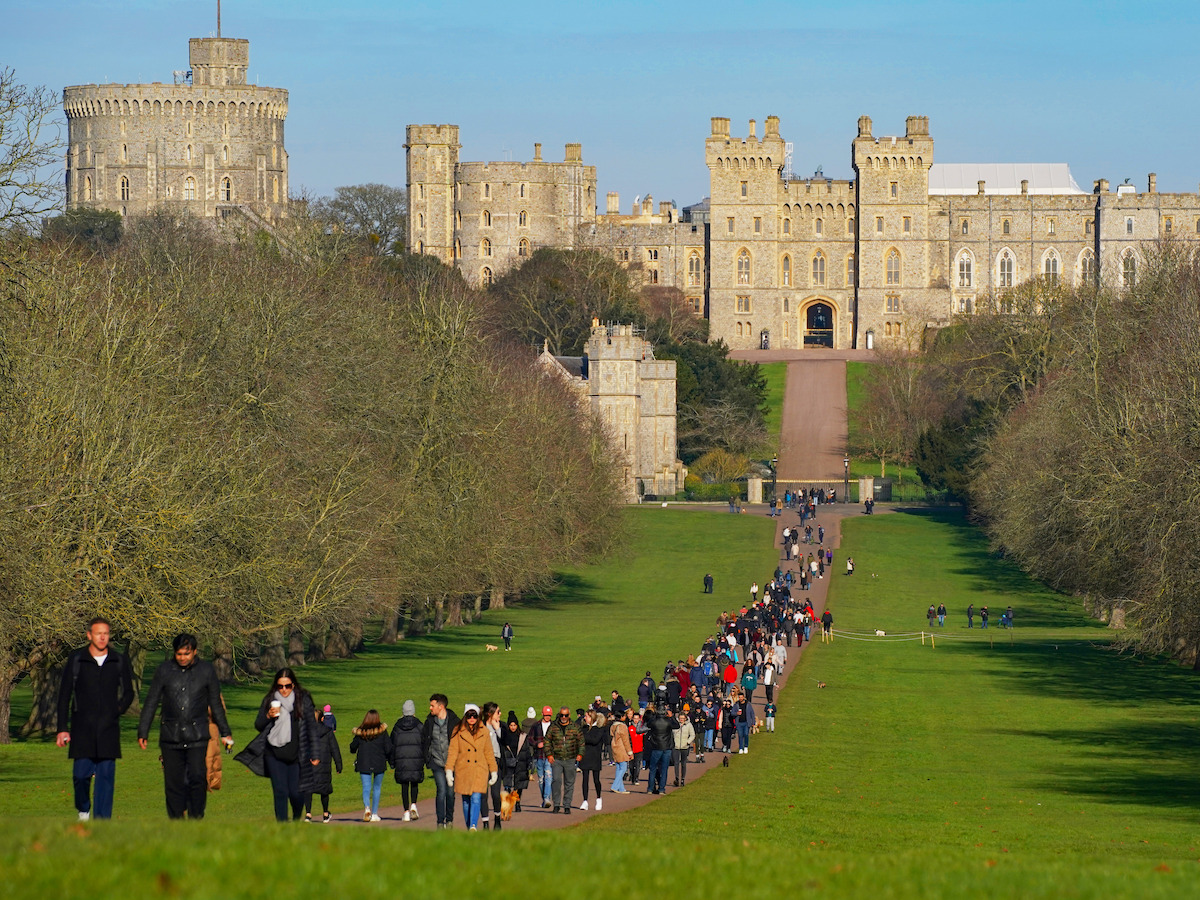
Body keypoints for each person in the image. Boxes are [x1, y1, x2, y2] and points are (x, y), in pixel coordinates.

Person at [138, 634, 233, 819]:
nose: (182, 657)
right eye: (179, 654)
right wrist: (143, 731)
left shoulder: (206, 671)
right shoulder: (164, 670)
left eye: (186, 654)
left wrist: (225, 732)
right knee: (173, 783)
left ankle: (196, 816)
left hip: (197, 735)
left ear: (195, 652)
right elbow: (151, 701)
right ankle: (176, 820)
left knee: (198, 778)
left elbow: (215, 703)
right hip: (170, 735)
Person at [55, 617, 135, 821]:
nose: (102, 637)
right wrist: (62, 728)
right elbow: (64, 695)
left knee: (106, 780)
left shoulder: (119, 660)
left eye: (106, 633)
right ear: (89, 635)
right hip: (82, 730)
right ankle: (83, 809)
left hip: (108, 729)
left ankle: (102, 822)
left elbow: (128, 693)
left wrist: (117, 710)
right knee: (80, 776)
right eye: (98, 633)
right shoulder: (76, 660)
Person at [248, 667, 321, 822]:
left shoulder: (303, 700)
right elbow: (258, 725)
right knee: (280, 791)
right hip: (273, 754)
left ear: (293, 685)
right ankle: (282, 825)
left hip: (297, 755)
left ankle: (295, 817)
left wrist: (315, 753)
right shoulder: (270, 700)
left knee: (295, 793)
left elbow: (311, 728)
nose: (284, 690)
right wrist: (268, 716)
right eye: (280, 686)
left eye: (287, 686)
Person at [445, 703, 497, 831]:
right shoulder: (458, 731)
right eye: (469, 715)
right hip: (463, 770)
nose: (472, 718)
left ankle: (473, 825)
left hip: (480, 769)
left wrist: (494, 770)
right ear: (465, 716)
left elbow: (489, 752)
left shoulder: (484, 731)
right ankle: (469, 826)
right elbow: (452, 751)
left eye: (474, 715)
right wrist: (449, 770)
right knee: (466, 800)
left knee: (476, 797)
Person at [422, 693, 461, 829]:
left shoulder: (455, 722)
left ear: (441, 706)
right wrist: (427, 757)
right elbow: (425, 740)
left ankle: (449, 820)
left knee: (450, 793)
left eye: (432, 705)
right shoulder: (429, 722)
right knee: (441, 791)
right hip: (437, 761)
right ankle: (440, 822)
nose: (430, 708)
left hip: (452, 763)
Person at [350, 709, 390, 823]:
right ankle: (375, 813)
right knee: (377, 788)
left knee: (366, 788)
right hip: (379, 762)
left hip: (364, 762)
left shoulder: (361, 733)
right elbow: (388, 748)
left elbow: (352, 748)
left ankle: (367, 808)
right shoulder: (382, 732)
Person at [389, 699, 425, 822]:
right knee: (414, 783)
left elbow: (391, 745)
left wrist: (392, 762)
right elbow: (425, 743)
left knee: (404, 785)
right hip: (416, 758)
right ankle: (414, 804)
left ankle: (405, 811)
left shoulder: (397, 726)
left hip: (401, 760)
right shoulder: (420, 725)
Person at [305, 708, 341, 823]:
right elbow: (334, 749)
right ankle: (325, 813)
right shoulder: (328, 732)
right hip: (324, 764)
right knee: (324, 789)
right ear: (322, 718)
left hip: (309, 765)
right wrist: (338, 764)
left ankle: (308, 813)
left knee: (308, 789)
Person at [546, 705, 583, 813]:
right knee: (556, 781)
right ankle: (556, 804)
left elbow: (581, 742)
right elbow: (547, 741)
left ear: (569, 715)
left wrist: (580, 754)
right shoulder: (553, 726)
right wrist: (549, 754)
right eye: (562, 715)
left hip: (570, 758)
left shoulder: (575, 727)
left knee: (569, 783)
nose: (563, 717)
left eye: (565, 715)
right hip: (557, 759)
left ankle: (567, 805)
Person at [500, 710, 531, 812]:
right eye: (511, 725)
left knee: (519, 784)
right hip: (508, 763)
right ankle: (509, 802)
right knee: (508, 784)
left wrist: (529, 762)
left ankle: (518, 802)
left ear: (517, 725)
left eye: (514, 725)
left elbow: (526, 750)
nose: (513, 727)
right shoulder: (505, 737)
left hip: (520, 762)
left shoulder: (522, 736)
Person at [480, 702, 505, 829]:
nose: (500, 714)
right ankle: (485, 822)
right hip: (483, 764)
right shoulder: (481, 727)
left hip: (496, 763)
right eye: (498, 712)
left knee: (495, 794)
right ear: (490, 714)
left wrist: (498, 729)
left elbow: (507, 741)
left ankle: (497, 818)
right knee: (483, 795)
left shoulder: (502, 726)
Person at [525, 705, 555, 808]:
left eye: (549, 715)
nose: (547, 717)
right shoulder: (536, 725)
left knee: (548, 776)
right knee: (541, 779)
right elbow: (529, 738)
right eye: (546, 715)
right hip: (539, 755)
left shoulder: (554, 726)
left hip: (550, 755)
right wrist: (537, 744)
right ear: (542, 714)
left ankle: (547, 798)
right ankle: (544, 799)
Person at [578, 709, 605, 810]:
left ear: (592, 717)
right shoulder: (583, 728)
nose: (585, 718)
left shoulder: (599, 729)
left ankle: (598, 798)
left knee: (596, 779)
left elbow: (595, 740)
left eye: (587, 716)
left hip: (595, 756)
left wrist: (584, 738)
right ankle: (585, 801)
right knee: (585, 779)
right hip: (585, 756)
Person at [609, 709, 632, 793]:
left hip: (614, 746)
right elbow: (625, 740)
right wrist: (629, 752)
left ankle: (621, 788)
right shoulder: (622, 726)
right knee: (623, 767)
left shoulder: (613, 726)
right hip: (621, 748)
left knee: (619, 768)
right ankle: (615, 786)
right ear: (622, 717)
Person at [671, 708, 695, 787]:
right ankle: (677, 778)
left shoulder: (689, 725)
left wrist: (688, 742)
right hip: (676, 746)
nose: (681, 720)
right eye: (680, 718)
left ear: (685, 718)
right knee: (676, 763)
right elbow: (671, 733)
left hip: (685, 747)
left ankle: (683, 779)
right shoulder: (675, 724)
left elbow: (692, 735)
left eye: (683, 719)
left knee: (683, 763)